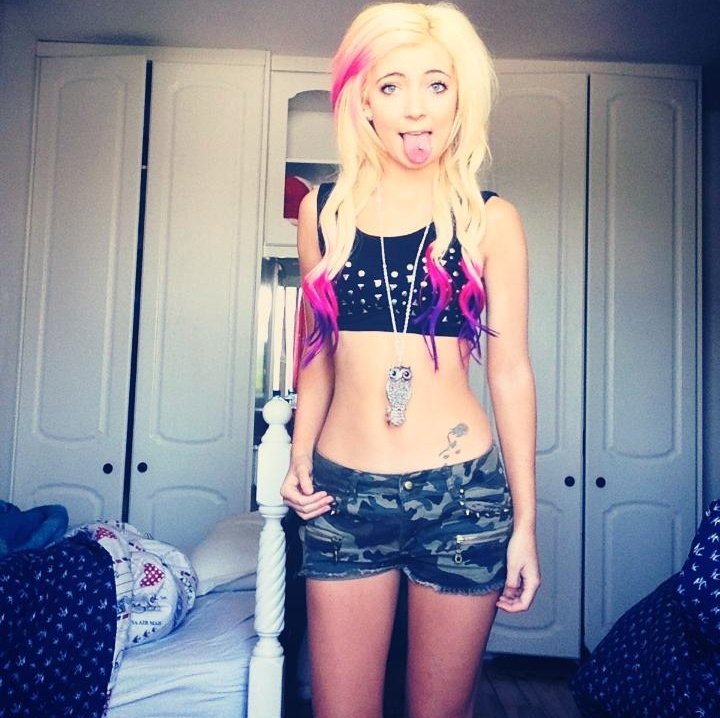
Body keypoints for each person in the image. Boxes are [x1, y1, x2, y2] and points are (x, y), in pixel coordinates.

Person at [280, 3, 540, 717]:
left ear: (461, 98)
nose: (416, 107)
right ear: (362, 99)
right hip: (342, 494)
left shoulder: (490, 219)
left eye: (437, 83)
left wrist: (525, 524)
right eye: (391, 85)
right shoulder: (321, 211)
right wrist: (299, 455)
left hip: (463, 497)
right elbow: (316, 350)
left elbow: (510, 371)